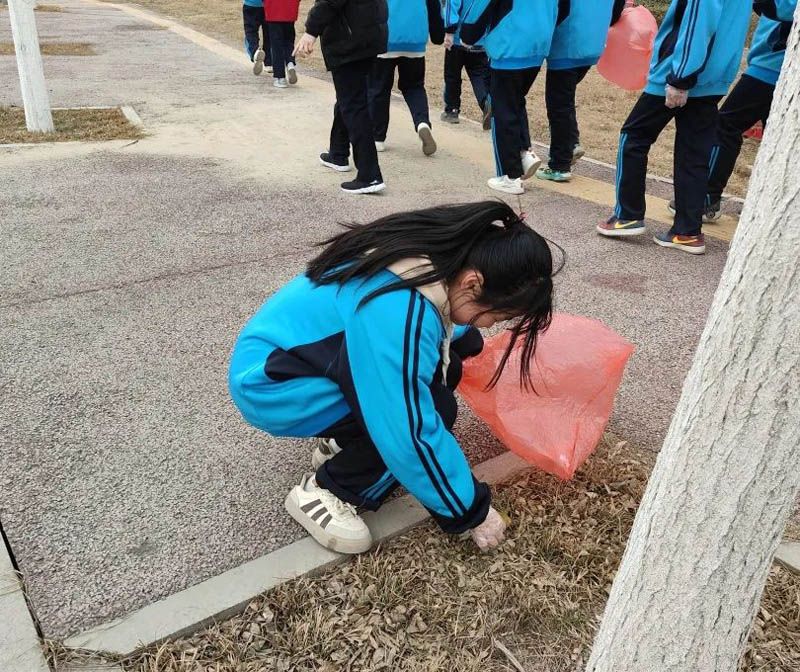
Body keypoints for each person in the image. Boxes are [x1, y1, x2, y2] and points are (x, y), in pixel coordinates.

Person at [229, 201, 559, 554]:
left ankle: (346, 441)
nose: (489, 323)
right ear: (472, 282)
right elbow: (408, 430)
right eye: (496, 313)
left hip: (286, 361)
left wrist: (467, 342)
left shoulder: (423, 261)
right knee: (430, 409)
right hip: (274, 389)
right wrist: (471, 510)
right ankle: (327, 491)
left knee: (446, 366)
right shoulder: (398, 308)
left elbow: (440, 335)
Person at [596, 0, 752, 255]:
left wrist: (680, 77)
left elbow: (697, 24)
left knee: (634, 135)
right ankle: (688, 230)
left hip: (681, 72)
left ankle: (627, 214)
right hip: (715, 74)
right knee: (694, 153)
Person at [668, 0, 797, 221]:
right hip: (772, 65)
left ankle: (707, 197)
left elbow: (782, 7)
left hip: (772, 68)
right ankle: (769, 207)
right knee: (777, 143)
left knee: (726, 126)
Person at [460, 0, 560, 196]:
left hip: (510, 40)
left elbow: (481, 5)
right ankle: (524, 152)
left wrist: (468, 34)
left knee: (503, 110)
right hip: (539, 42)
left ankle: (510, 176)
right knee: (515, 101)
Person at [294, 0, 388, 195]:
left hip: (349, 39)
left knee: (353, 105)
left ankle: (369, 175)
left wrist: (311, 31)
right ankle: (338, 153)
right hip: (368, 34)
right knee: (349, 98)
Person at [536, 0, 626, 183]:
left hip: (567, 40)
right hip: (594, 41)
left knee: (558, 104)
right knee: (565, 99)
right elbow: (617, 10)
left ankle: (559, 165)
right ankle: (572, 143)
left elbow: (559, 8)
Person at [367, 0, 444, 156]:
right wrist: (438, 35)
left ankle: (377, 137)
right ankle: (422, 123)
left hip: (385, 36)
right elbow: (434, 5)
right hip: (415, 37)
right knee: (414, 86)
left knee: (378, 88)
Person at [440, 0, 492, 129]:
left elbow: (452, 5)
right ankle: (486, 103)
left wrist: (449, 30)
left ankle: (452, 110)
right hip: (480, 39)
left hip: (457, 38)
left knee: (452, 76)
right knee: (479, 76)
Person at [265, 0, 300, 88]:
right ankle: (290, 62)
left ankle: (280, 77)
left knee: (276, 46)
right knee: (289, 41)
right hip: (290, 10)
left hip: (273, 10)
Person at [243, 0, 272, 75]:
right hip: (269, 5)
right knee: (268, 34)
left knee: (250, 32)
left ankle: (255, 52)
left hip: (250, 4)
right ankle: (269, 63)